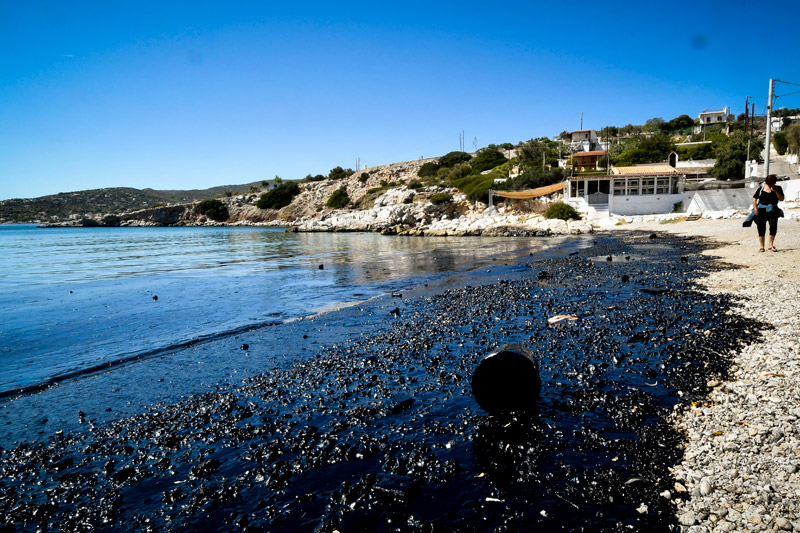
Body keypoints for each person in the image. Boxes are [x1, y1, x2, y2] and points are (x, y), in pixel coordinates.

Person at [752, 174, 784, 252]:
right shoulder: (761, 188)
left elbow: (781, 198)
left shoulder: (778, 188)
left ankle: (771, 245)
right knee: (761, 228)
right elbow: (754, 199)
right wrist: (755, 210)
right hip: (761, 211)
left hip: (773, 210)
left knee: (773, 227)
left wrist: (776, 190)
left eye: (773, 183)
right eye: (770, 183)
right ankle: (762, 247)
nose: (771, 185)